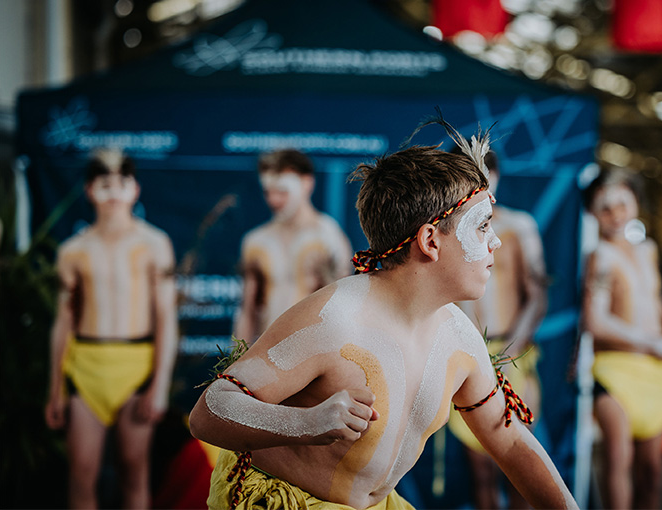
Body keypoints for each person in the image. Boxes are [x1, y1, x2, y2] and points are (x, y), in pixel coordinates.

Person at [189, 122, 579, 510]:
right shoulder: (334, 319)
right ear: (430, 241)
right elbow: (209, 412)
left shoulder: (462, 337)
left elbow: (510, 441)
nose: (495, 241)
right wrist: (308, 424)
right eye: (482, 226)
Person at [44, 148, 178, 509]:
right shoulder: (73, 250)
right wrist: (55, 388)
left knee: (135, 471)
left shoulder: (154, 244)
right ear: (90, 190)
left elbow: (166, 317)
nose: (114, 191)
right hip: (85, 366)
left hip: (136, 364)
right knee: (81, 473)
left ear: (135, 189)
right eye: (104, 183)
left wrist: (159, 386)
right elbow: (64, 321)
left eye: (122, 182)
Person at [448, 148, 548, 510]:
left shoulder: (519, 226)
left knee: (521, 469)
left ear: (496, 177)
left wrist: (513, 349)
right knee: (482, 474)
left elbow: (536, 293)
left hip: (511, 353)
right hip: (465, 358)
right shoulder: (443, 233)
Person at [581, 169, 662, 510]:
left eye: (622, 204)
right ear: (593, 212)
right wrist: (653, 343)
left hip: (652, 371)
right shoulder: (599, 257)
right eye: (605, 207)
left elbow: (653, 300)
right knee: (618, 461)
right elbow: (595, 320)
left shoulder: (648, 251)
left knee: (652, 470)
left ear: (636, 205)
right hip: (615, 371)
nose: (615, 214)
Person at [234, 149, 351, 344]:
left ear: (307, 184)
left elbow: (344, 308)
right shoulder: (255, 241)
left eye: (282, 191)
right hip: (266, 351)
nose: (273, 200)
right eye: (267, 192)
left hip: (313, 353)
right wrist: (235, 365)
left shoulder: (329, 237)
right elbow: (247, 311)